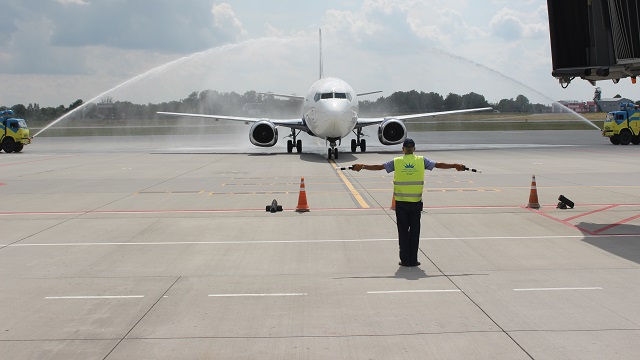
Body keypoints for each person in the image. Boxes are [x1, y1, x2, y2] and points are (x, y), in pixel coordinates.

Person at [350, 138, 466, 267]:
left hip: (401, 204)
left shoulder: (397, 162)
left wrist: (363, 166)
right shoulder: (422, 161)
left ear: (403, 149)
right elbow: (438, 164)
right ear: (414, 149)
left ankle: (405, 260)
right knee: (415, 232)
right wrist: (454, 165)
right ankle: (413, 260)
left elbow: (379, 167)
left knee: (403, 232)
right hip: (416, 203)